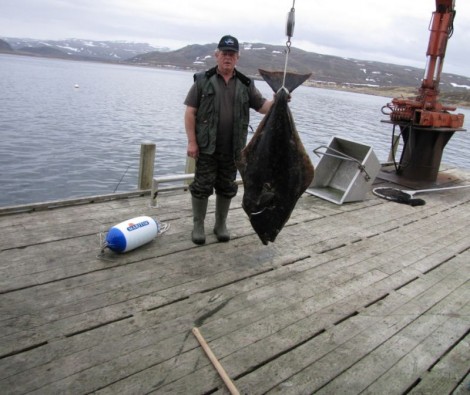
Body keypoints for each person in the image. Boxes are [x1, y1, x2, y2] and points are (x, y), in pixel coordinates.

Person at [184, 34, 272, 245]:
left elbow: (262, 107)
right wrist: (192, 142)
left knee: (227, 187)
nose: (227, 58)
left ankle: (220, 224)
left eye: (232, 54)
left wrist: (279, 100)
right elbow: (190, 113)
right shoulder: (202, 81)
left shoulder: (245, 84)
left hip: (234, 150)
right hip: (207, 147)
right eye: (224, 53)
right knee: (201, 186)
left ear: (237, 58)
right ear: (217, 55)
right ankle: (198, 226)